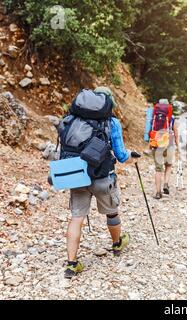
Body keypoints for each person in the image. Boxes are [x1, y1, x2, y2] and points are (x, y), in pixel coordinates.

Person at [63, 87, 137, 279]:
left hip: (77, 175)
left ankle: (72, 264)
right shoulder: (112, 122)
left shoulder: (73, 120)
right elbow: (121, 156)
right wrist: (131, 155)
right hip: (103, 176)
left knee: (76, 217)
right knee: (112, 212)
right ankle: (117, 244)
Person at [151, 99, 179, 199]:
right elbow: (176, 133)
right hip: (169, 143)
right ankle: (166, 184)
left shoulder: (154, 116)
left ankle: (158, 193)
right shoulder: (172, 117)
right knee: (169, 165)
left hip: (157, 143)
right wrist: (178, 146)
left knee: (158, 169)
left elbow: (150, 130)